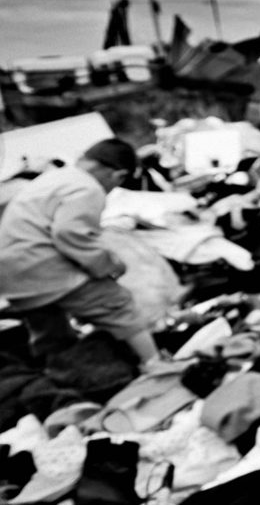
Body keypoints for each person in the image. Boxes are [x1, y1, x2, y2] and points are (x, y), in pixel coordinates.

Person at [0, 138, 161, 366]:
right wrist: (109, 266)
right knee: (118, 305)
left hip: (13, 277)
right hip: (41, 266)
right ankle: (156, 365)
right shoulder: (88, 187)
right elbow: (70, 234)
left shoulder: (56, 177)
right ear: (118, 175)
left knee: (52, 334)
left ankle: (62, 376)